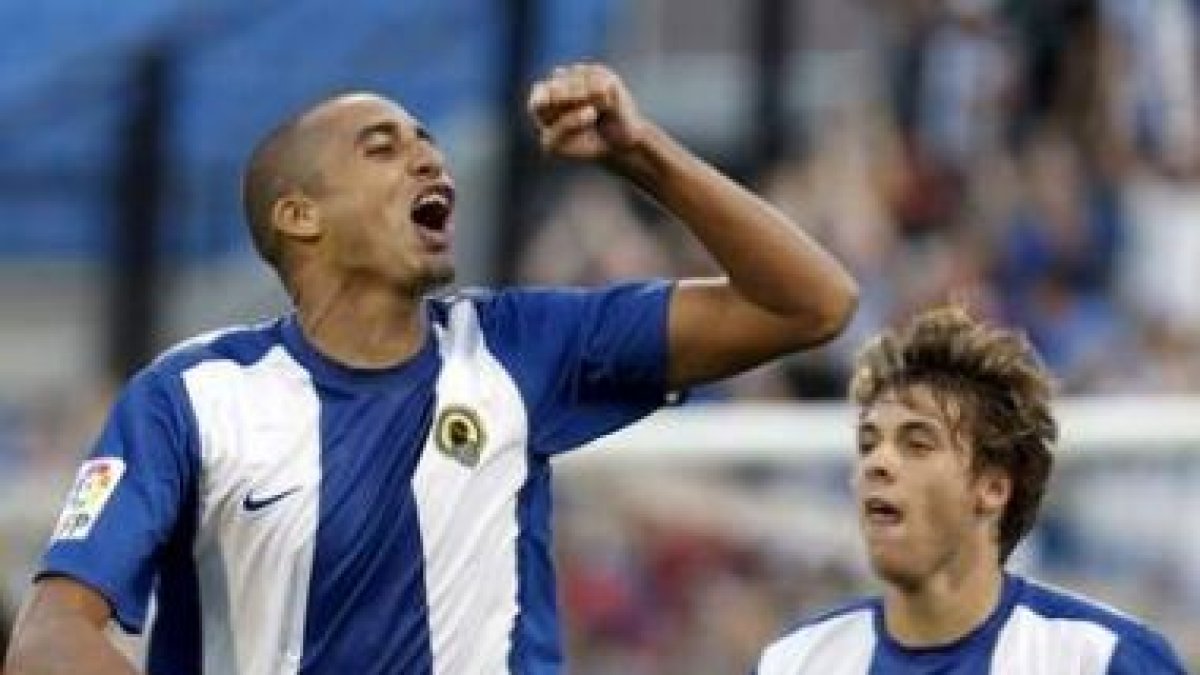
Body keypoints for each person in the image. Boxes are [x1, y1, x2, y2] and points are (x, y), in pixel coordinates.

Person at [4, 63, 857, 675]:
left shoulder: (519, 346)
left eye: (428, 142)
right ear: (299, 217)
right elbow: (47, 643)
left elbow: (812, 303)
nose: (428, 160)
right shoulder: (191, 398)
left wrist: (642, 156)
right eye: (382, 147)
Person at [754, 307, 1187, 674]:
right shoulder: (797, 662)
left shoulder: (1101, 659)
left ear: (993, 488)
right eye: (868, 444)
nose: (877, 463)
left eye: (917, 444)